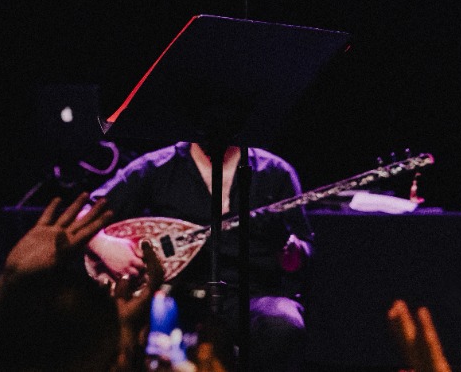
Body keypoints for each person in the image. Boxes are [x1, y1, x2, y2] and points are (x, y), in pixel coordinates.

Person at [86, 142, 311, 372]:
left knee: (283, 325)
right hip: (171, 295)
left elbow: (303, 252)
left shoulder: (275, 172)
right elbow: (85, 213)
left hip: (250, 296)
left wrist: (291, 253)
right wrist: (105, 245)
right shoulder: (158, 166)